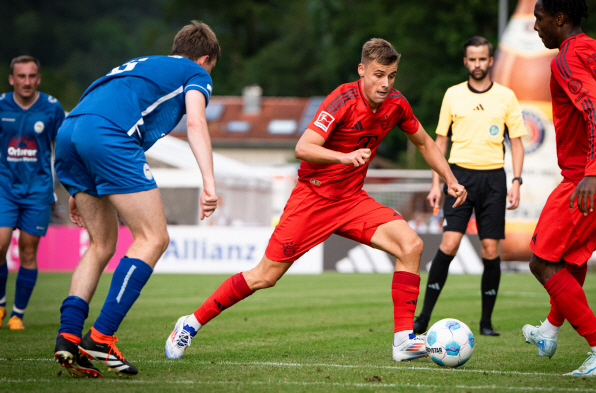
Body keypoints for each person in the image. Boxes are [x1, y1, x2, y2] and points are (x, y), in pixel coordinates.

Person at [164, 38, 467, 362]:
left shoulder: (397, 104)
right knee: (264, 276)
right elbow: (303, 147)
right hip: (313, 198)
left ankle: (403, 340)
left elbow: (423, 142)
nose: (385, 83)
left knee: (411, 245)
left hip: (351, 200)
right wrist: (344, 157)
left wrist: (450, 180)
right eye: (379, 74)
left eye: (391, 76)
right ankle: (189, 324)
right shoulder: (342, 99)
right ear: (362, 70)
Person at [53, 21, 220, 378]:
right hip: (107, 136)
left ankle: (68, 337)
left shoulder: (141, 63)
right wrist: (209, 182)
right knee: (153, 238)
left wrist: (79, 184)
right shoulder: (195, 72)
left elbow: (93, 101)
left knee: (101, 244)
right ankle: (100, 337)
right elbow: (195, 123)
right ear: (205, 58)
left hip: (71, 132)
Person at [522, 0, 596, 376]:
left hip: (590, 177)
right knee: (571, 259)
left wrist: (592, 170)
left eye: (539, 19)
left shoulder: (566, 58)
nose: (536, 26)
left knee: (541, 261)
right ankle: (549, 331)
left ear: (559, 18)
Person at [413, 36, 526, 337]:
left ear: (491, 61)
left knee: (491, 250)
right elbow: (439, 142)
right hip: (458, 178)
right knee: (449, 244)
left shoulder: (506, 96)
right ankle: (422, 317)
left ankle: (486, 323)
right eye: (472, 59)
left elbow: (516, 143)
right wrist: (436, 183)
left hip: (494, 179)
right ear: (465, 61)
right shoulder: (452, 95)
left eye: (482, 59)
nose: (477, 64)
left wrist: (516, 181)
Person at [0, 56, 65, 330]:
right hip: (4, 189)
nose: (26, 81)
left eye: (32, 76)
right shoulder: (1, 105)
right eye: (21, 76)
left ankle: (17, 314)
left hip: (38, 192)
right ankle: (1, 304)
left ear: (38, 78)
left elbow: (63, 147)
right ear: (12, 79)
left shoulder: (51, 108)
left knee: (28, 252)